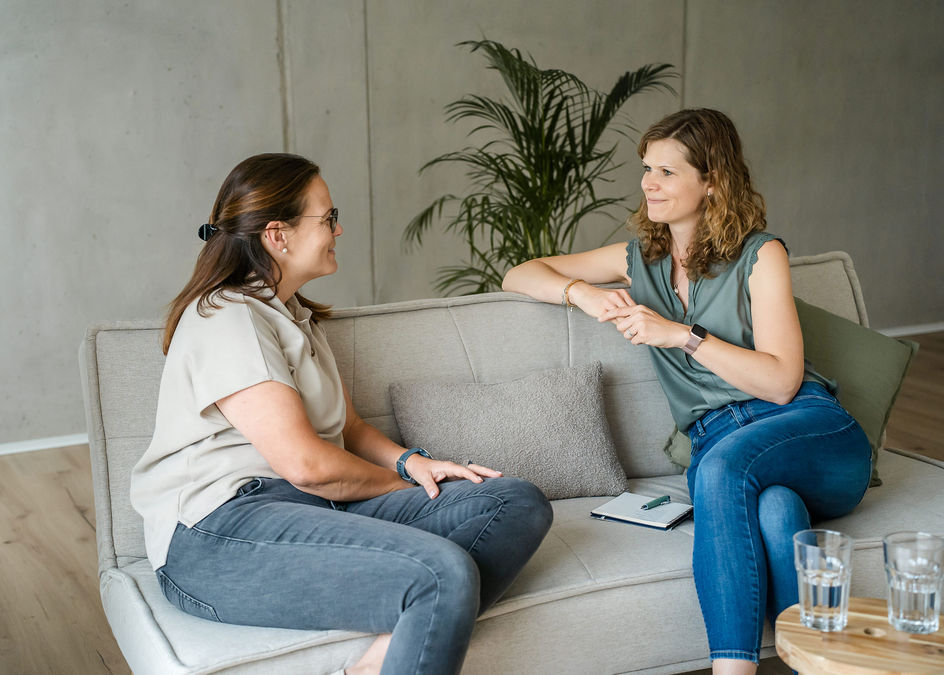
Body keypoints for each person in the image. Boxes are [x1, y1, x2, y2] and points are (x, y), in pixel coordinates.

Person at [131, 153, 553, 675]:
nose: (339, 228)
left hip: (315, 508)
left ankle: (383, 652)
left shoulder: (294, 316)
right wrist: (401, 491)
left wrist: (412, 464)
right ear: (277, 234)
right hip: (219, 535)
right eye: (328, 217)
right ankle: (411, 619)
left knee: (515, 501)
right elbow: (307, 465)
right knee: (440, 572)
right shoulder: (226, 317)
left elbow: (348, 428)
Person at [502, 108, 870, 674]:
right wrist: (582, 293)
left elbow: (780, 381)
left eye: (668, 172)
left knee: (724, 472)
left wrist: (681, 335)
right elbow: (520, 273)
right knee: (774, 512)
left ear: (713, 181)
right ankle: (821, 664)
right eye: (647, 168)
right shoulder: (639, 260)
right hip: (718, 441)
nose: (649, 183)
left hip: (807, 428)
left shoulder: (760, 255)